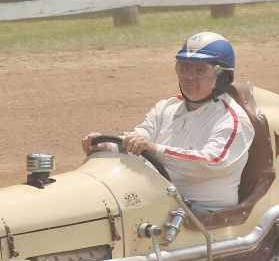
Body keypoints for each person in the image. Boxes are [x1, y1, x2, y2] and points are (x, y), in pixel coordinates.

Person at [82, 32, 255, 212]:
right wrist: (106, 146)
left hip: (202, 216)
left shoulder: (233, 120)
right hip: (158, 203)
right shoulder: (166, 108)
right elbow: (139, 138)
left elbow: (212, 161)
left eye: (199, 70)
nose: (189, 76)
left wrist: (155, 149)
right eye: (184, 68)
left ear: (222, 76)